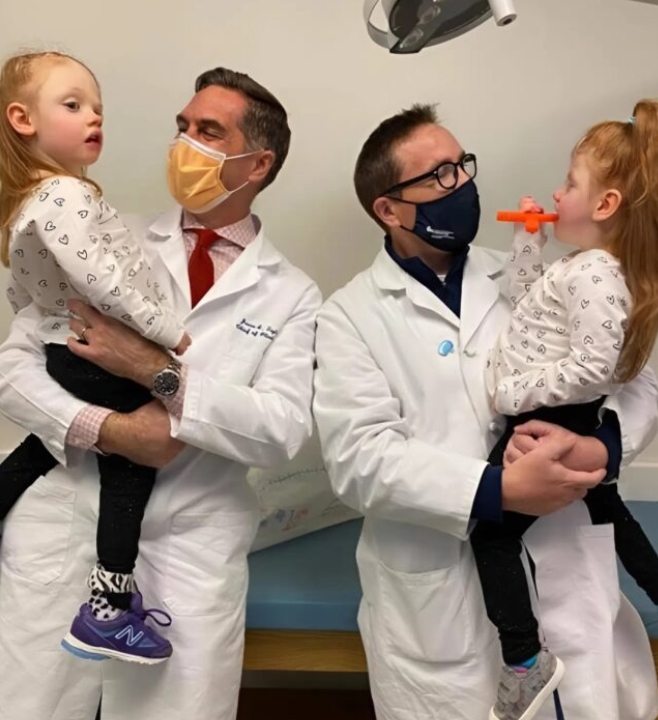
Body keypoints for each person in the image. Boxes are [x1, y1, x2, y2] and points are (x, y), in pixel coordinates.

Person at [313, 103, 658, 720]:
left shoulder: (535, 275)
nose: (463, 185)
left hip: (570, 573)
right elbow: (359, 461)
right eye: (440, 176)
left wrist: (602, 448)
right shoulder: (349, 317)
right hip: (439, 617)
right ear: (388, 210)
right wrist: (497, 489)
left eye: (463, 166)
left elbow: (638, 374)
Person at [0, 65, 321, 720]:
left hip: (190, 546)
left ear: (258, 164)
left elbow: (281, 429)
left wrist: (157, 373)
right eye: (183, 126)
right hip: (66, 522)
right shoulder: (102, 237)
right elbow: (13, 368)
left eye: (208, 131)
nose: (184, 143)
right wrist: (107, 430)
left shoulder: (292, 295)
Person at [0, 49, 194, 664]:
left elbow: (23, 295)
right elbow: (105, 281)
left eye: (97, 108)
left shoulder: (31, 200)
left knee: (40, 448)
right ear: (22, 119)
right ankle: (107, 611)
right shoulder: (66, 195)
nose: (94, 117)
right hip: (93, 354)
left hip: (65, 351)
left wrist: (57, 331)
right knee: (131, 465)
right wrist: (169, 333)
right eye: (73, 104)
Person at [470, 100, 658, 720]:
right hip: (565, 421)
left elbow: (592, 369)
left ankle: (524, 661)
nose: (556, 192)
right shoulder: (583, 266)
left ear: (605, 205)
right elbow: (528, 305)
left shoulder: (596, 275)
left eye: (570, 183)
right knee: (611, 511)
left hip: (552, 423)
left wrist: (512, 392)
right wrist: (529, 244)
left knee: (490, 531)